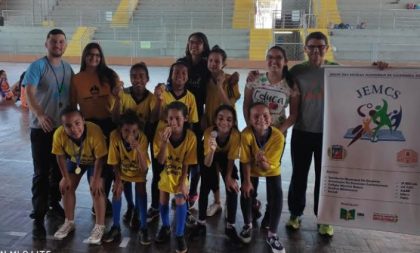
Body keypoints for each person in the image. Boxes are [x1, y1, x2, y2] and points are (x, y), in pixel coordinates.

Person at [23, 28, 73, 240]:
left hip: (62, 130)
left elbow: (70, 96)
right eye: (54, 42)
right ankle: (39, 210)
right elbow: (29, 92)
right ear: (46, 44)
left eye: (61, 42)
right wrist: (41, 114)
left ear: (65, 44)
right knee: (41, 171)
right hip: (41, 129)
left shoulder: (67, 68)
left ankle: (54, 202)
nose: (58, 45)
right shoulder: (38, 66)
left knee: (59, 171)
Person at [286, 31, 338, 237]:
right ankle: (295, 214)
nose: (316, 51)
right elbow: (276, 80)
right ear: (305, 49)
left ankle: (324, 218)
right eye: (312, 47)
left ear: (327, 48)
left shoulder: (337, 71)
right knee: (299, 175)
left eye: (320, 47)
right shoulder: (296, 71)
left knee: (324, 177)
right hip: (302, 132)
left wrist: (379, 68)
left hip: (328, 135)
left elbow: (361, 80)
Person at [244, 45, 299, 226]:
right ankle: (252, 205)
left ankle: (270, 212)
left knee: (269, 172)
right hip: (254, 135)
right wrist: (251, 129)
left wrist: (277, 133)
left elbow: (293, 115)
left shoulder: (291, 85)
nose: (273, 61)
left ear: (285, 62)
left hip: (276, 138)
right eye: (270, 57)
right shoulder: (255, 80)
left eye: (278, 58)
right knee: (251, 171)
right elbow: (246, 105)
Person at [70, 42, 120, 216]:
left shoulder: (110, 75)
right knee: (91, 164)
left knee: (107, 165)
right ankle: (96, 199)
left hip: (108, 124)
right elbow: (72, 106)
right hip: (88, 126)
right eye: (90, 54)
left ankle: (102, 198)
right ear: (84, 56)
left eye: (98, 55)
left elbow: (119, 97)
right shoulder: (76, 79)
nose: (94, 58)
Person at [149, 61, 198, 222]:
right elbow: (155, 116)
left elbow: (191, 122)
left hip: (181, 143)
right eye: (176, 72)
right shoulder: (163, 93)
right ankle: (156, 206)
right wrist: (157, 99)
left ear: (188, 76)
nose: (180, 75)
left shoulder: (190, 97)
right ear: (171, 74)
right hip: (161, 140)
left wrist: (187, 141)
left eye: (184, 73)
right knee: (158, 174)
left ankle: (184, 203)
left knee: (183, 175)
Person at [111, 62, 158, 228]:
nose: (137, 79)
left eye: (141, 76)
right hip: (124, 140)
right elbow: (115, 118)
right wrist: (117, 99)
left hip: (142, 142)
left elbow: (153, 119)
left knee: (139, 176)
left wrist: (159, 100)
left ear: (147, 79)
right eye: (134, 76)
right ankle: (131, 206)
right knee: (125, 174)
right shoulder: (123, 94)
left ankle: (138, 210)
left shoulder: (152, 98)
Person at [52, 107, 107, 244]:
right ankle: (69, 222)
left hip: (95, 160)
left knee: (96, 189)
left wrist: (96, 179)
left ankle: (100, 226)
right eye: (68, 125)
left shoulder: (95, 131)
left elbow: (101, 158)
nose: (74, 129)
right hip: (76, 160)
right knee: (66, 186)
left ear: (83, 120)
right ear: (62, 126)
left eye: (77, 123)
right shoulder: (59, 134)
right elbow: (60, 156)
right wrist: (65, 177)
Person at [239, 102, 286, 253]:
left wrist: (262, 162)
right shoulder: (246, 134)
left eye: (265, 115)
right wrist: (246, 181)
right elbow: (245, 160)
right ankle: (248, 225)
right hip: (251, 169)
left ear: (271, 119)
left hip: (271, 169)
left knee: (277, 195)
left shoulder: (278, 137)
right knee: (246, 191)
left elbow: (268, 167)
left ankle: (272, 235)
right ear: (249, 119)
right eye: (256, 116)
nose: (261, 119)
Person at [191, 105, 241, 242]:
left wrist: (229, 176)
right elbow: (207, 164)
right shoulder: (209, 133)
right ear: (215, 120)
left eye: (229, 119)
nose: (224, 122)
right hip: (209, 158)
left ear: (234, 122)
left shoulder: (236, 135)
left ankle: (230, 226)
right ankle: (201, 223)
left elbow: (231, 158)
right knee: (205, 186)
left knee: (233, 188)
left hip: (226, 157)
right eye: (221, 118)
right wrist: (212, 150)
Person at [153, 101, 197, 253]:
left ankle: (179, 234)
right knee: (163, 199)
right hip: (167, 171)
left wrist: (183, 182)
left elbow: (187, 162)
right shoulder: (161, 132)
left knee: (180, 197)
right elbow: (160, 161)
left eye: (178, 118)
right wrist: (164, 143)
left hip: (180, 173)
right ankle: (165, 227)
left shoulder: (190, 137)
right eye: (171, 118)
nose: (174, 122)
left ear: (185, 118)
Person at [202, 45, 241, 216]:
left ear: (223, 63)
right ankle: (217, 201)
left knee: (227, 164)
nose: (213, 63)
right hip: (211, 126)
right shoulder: (205, 80)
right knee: (213, 165)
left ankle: (229, 201)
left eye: (217, 61)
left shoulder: (231, 80)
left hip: (227, 127)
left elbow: (230, 104)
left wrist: (220, 86)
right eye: (210, 60)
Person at [103, 109, 151, 245]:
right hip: (122, 170)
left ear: (139, 131)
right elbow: (114, 162)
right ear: (120, 129)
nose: (130, 134)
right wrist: (118, 180)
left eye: (134, 131)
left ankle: (144, 228)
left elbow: (144, 168)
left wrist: (139, 150)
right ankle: (116, 226)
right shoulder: (114, 136)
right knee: (117, 190)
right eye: (126, 130)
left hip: (139, 170)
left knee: (141, 190)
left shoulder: (142, 138)